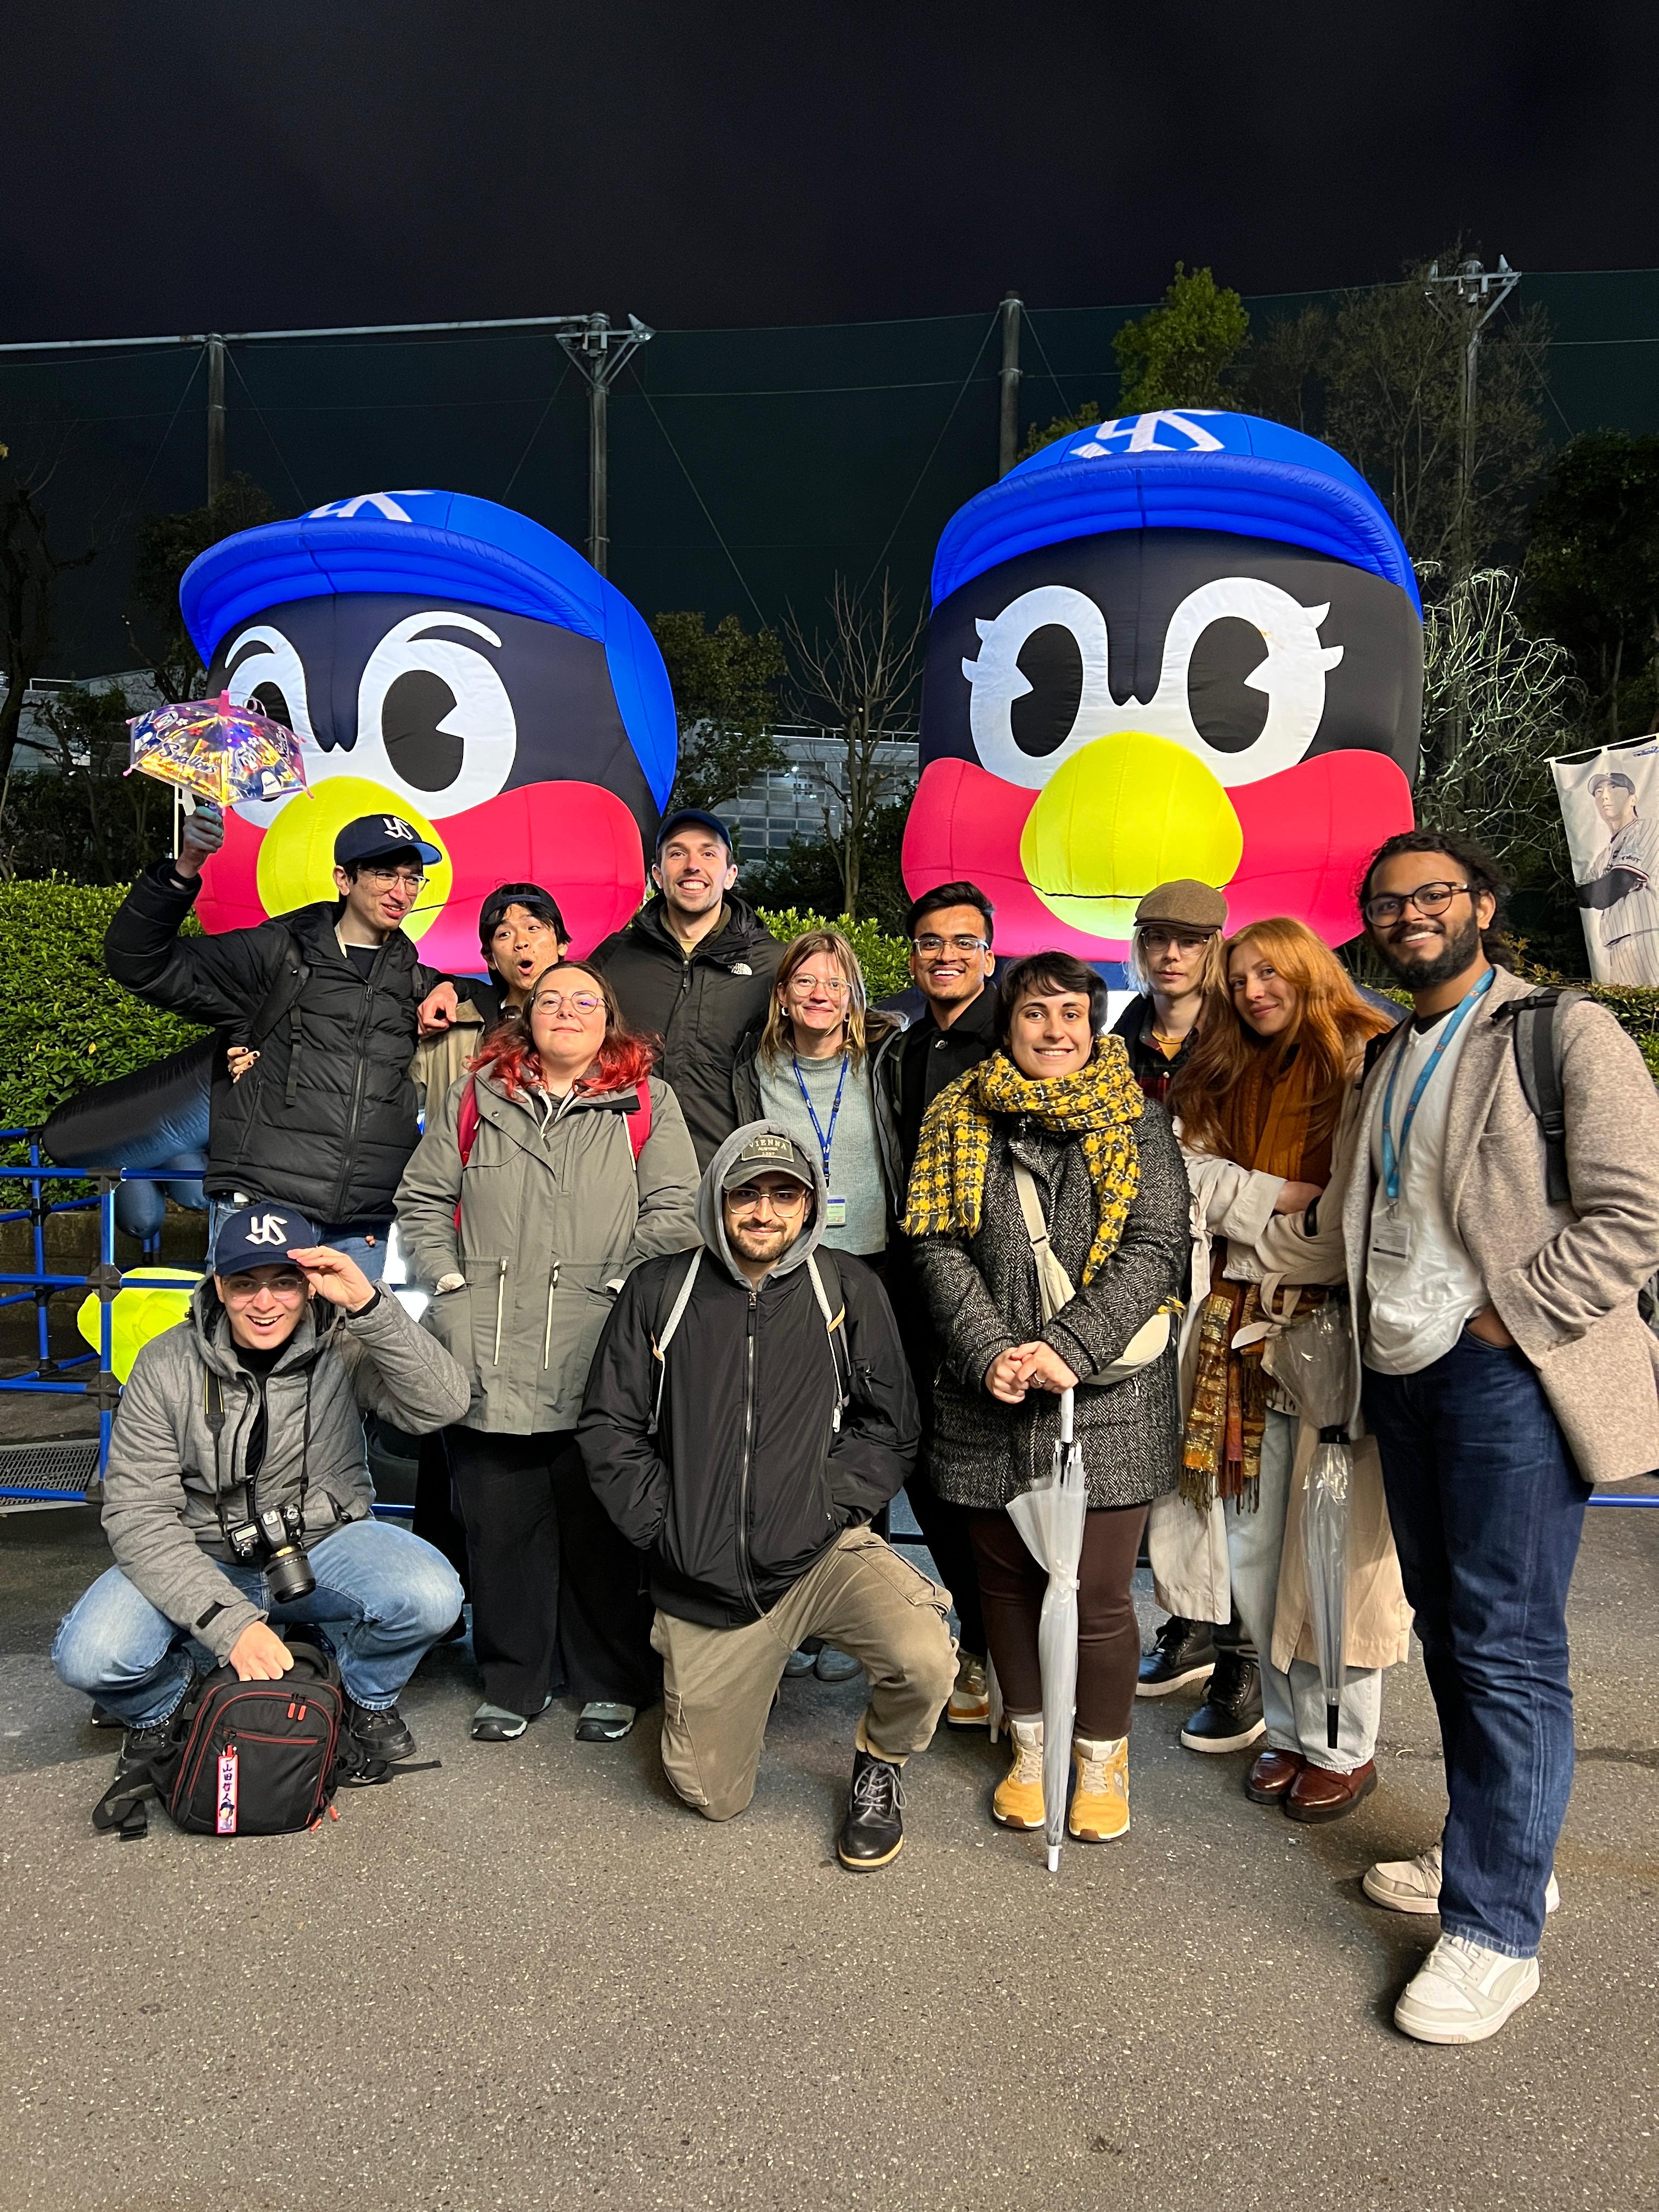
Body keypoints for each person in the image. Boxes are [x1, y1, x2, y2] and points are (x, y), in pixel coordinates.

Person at [1259, 830, 1659, 2043]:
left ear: (1483, 902)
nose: (1407, 915)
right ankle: (1500, 1849)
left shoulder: (1562, 1032)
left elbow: (1634, 1213)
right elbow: (1350, 1216)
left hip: (1507, 1379)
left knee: (1509, 1647)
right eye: (1386, 903)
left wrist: (1505, 1320)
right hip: (1405, 1379)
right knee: (1450, 1628)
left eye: (1431, 894)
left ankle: (1495, 1935)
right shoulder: (1387, 1055)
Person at [579, 1124, 951, 1868]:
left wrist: (827, 1504)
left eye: (784, 1195)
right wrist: (665, 1529)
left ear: (809, 1205)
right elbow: (608, 1426)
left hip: (820, 1553)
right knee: (710, 1796)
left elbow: (892, 1425)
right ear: (718, 1199)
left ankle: (881, 1761)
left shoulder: (846, 1285)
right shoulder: (662, 1289)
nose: (763, 1212)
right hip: (703, 1576)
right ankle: (736, 1684)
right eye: (747, 1194)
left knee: (925, 1657)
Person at [906, 952, 1189, 1843]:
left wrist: (1069, 1345)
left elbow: (1154, 1246)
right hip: (983, 1391)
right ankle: (1029, 1750)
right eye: (1036, 1013)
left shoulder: (1137, 1121)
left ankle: (1100, 1758)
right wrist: (988, 1347)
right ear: (1008, 1023)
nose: (1054, 1030)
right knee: (1005, 1586)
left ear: (1094, 1024)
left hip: (1105, 1394)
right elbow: (933, 1243)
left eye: (1071, 1012)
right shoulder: (957, 1116)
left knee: (1097, 1592)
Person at [395, 960, 699, 1744]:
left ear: (610, 1020)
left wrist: (624, 1291)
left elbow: (675, 1211)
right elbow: (423, 1199)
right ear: (524, 1018)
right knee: (499, 1525)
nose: (566, 1010)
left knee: (602, 1524)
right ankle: (513, 1676)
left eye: (585, 1000)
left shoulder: (646, 1103)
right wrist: (448, 1281)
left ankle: (608, 1677)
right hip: (487, 1343)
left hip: (600, 1345)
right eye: (549, 1000)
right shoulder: (478, 1097)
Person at [52, 1203, 469, 1775]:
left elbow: (442, 1406)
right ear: (218, 1286)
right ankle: (172, 1702)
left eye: (283, 1283)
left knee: (432, 1594)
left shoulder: (344, 1344)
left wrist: (371, 1305)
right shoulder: (164, 1364)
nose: (265, 1303)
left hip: (319, 1548)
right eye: (245, 1283)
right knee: (91, 1657)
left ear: (309, 1286)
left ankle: (360, 1700)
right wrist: (231, 1627)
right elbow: (138, 1515)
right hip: (203, 1556)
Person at [1168, 918, 1408, 1820]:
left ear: (1310, 967)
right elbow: (1187, 1176)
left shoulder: (1366, 1060)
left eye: (1270, 970)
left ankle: (1343, 1743)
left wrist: (1256, 1233)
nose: (1253, 988)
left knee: (1332, 1551)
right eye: (1238, 977)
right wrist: (1271, 1213)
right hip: (1237, 1334)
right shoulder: (1220, 1067)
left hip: (1335, 1337)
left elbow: (1350, 1224)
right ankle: (1285, 1728)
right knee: (1257, 1549)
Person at [104, 807, 458, 1280]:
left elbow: (515, 997)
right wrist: (186, 867)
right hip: (266, 1207)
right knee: (242, 1352)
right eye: (383, 874)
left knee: (350, 1356)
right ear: (343, 879)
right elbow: (139, 962)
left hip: (362, 1226)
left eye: (413, 879)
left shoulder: (414, 978)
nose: (401, 892)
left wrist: (456, 987)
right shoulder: (278, 954)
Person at [1111, 877, 1262, 1742]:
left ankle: (1242, 1657)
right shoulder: (1123, 1036)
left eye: (1189, 940)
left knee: (1230, 1464)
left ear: (1215, 946)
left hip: (1233, 1271)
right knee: (1168, 1457)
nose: (1171, 954)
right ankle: (1192, 1624)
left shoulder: (1245, 1037)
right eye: (1157, 938)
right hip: (1144, 1271)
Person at [733, 926, 904, 1686]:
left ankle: (859, 1613)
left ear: (853, 997)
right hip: (790, 1262)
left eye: (835, 982)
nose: (820, 994)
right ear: (782, 994)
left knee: (869, 1432)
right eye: (805, 981)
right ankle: (792, 1599)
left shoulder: (885, 1061)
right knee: (794, 1430)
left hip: (872, 1263)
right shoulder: (755, 1067)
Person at [871, 882, 999, 1730]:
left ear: (990, 953)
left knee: (982, 1475)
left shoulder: (1018, 1039)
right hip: (910, 1286)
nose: (944, 956)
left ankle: (998, 1651)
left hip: (994, 1291)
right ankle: (964, 1642)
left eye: (962, 942)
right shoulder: (904, 1049)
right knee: (919, 1463)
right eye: (928, 943)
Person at [588, 808, 782, 1167]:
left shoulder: (774, 963)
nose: (693, 865)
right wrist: (459, 988)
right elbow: (542, 1006)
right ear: (658, 876)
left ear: (730, 875)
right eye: (677, 853)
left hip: (727, 1177)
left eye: (709, 853)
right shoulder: (614, 958)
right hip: (624, 1170)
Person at [413, 881, 571, 1110]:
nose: (521, 943)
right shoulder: (448, 1031)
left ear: (561, 943)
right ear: (490, 958)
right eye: (504, 934)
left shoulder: (590, 1025)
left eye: (533, 928)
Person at [1576, 769, 1659, 983]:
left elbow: (1617, 884)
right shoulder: (1603, 856)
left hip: (1648, 934)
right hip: (1616, 942)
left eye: (1614, 787)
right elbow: (1583, 897)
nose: (1604, 795)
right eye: (1598, 791)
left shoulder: (1649, 827)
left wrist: (1601, 888)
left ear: (1633, 799)